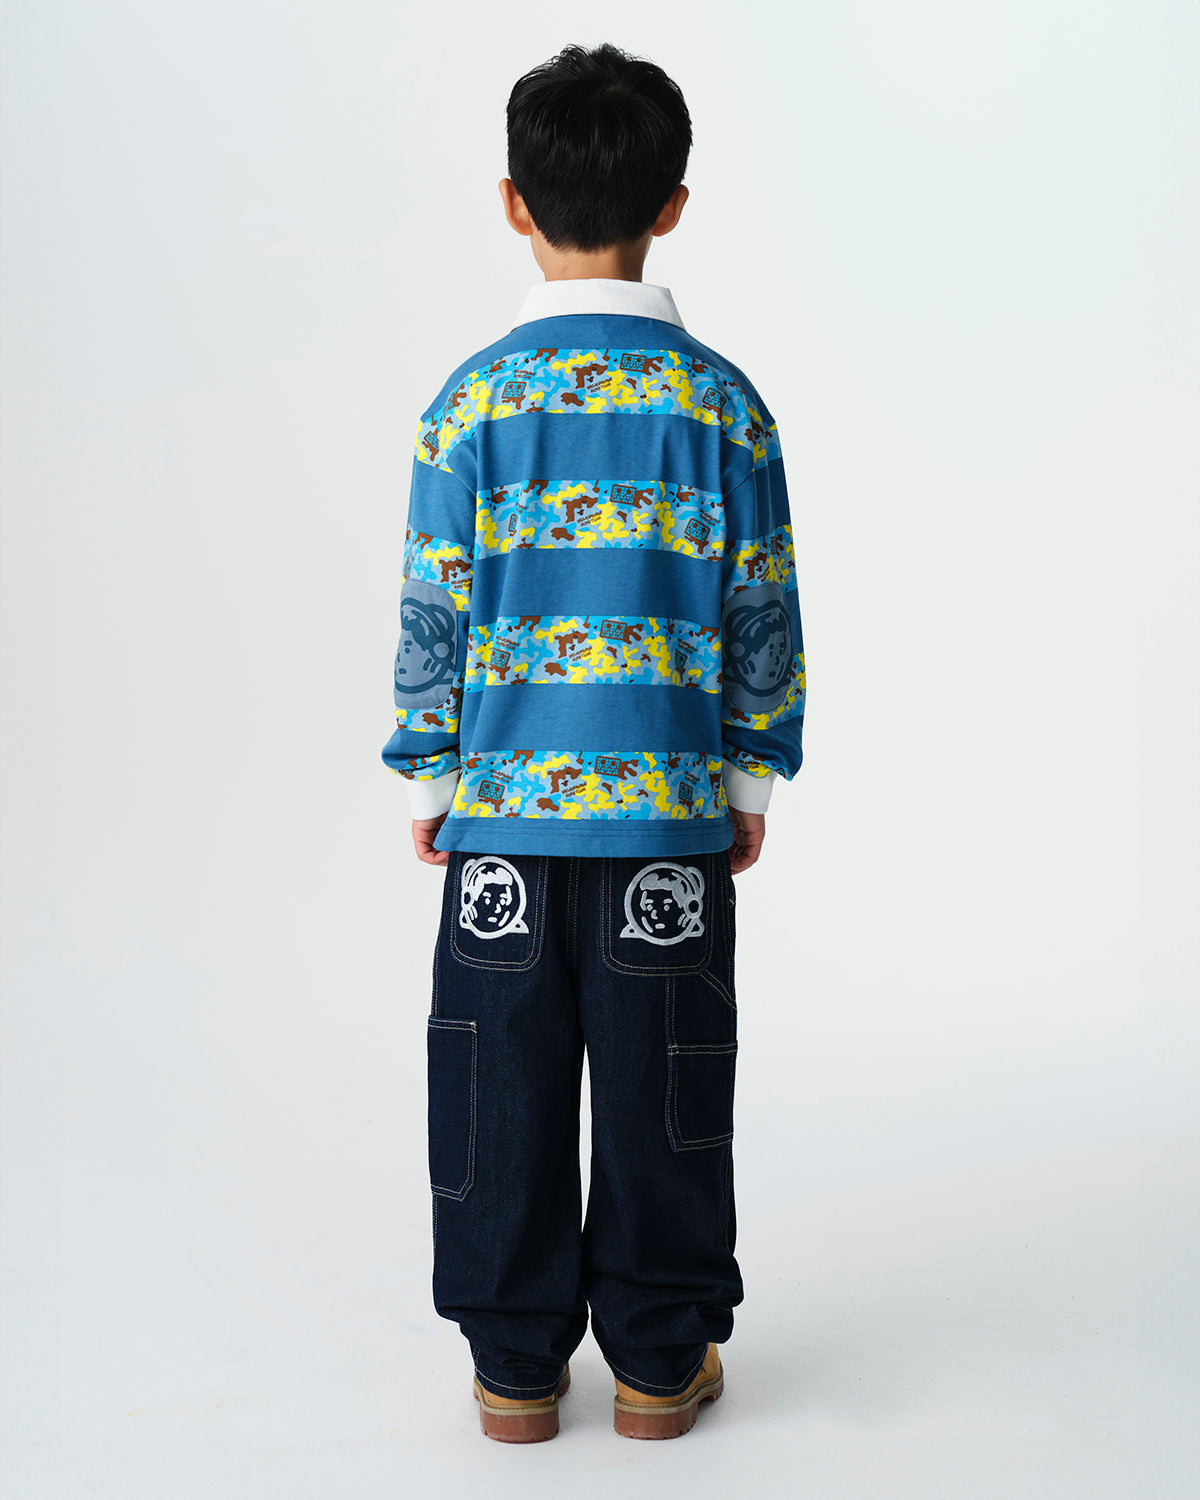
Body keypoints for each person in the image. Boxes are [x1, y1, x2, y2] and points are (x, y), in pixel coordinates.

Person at [381, 41, 806, 1443]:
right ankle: (658, 1363)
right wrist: (746, 780)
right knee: (663, 1082)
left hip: (503, 827)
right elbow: (760, 609)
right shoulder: (721, 406)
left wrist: (435, 773)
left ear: (514, 203)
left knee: (494, 1085)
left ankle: (513, 1366)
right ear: (672, 205)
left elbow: (436, 607)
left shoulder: (470, 406)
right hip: (667, 823)